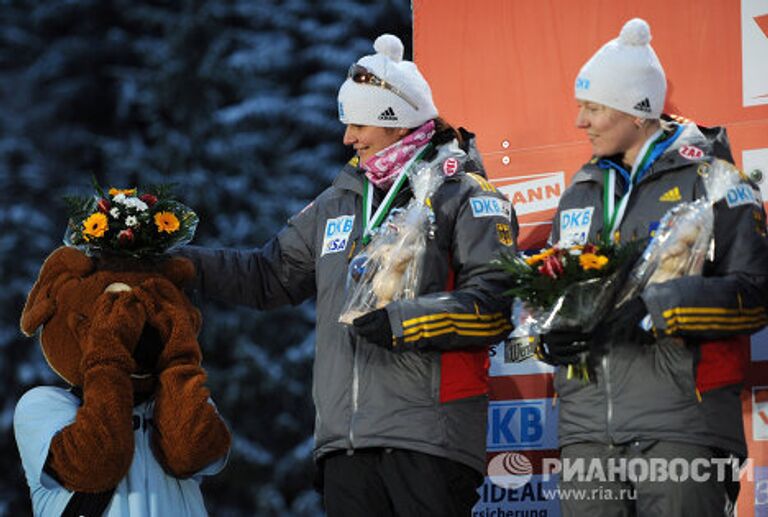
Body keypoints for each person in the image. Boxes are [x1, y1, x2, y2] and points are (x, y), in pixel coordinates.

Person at [180, 34, 517, 516]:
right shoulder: (339, 201)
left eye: (359, 124)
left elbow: (493, 307)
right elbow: (268, 275)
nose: (347, 138)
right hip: (346, 446)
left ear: (396, 124)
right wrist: (179, 263)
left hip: (429, 440)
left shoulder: (463, 195)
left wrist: (403, 321)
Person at [541, 18, 768, 516]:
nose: (580, 121)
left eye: (594, 108)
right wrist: (546, 332)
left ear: (638, 112)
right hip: (586, 432)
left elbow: (755, 295)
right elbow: (549, 287)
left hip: (680, 426)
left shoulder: (715, 181)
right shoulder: (581, 190)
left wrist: (655, 310)